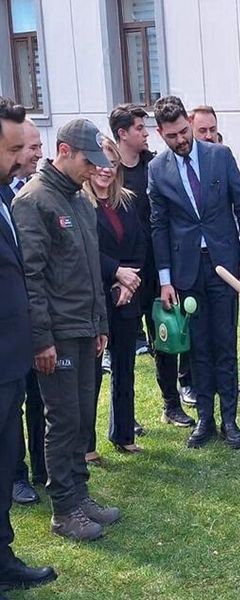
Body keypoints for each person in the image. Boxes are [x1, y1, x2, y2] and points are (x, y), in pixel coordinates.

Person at [13, 118, 120, 541]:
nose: (93, 170)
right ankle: (63, 510)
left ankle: (80, 495)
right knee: (63, 420)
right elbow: (32, 278)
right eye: (86, 161)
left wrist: (99, 324)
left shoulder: (80, 201)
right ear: (63, 151)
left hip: (83, 327)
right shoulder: (34, 201)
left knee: (82, 418)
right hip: (56, 334)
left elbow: (91, 272)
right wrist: (41, 339)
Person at [148, 96, 240, 450]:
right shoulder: (157, 169)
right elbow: (159, 226)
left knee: (225, 343)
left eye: (183, 132)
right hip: (186, 272)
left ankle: (230, 420)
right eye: (171, 136)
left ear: (189, 123)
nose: (180, 140)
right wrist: (165, 280)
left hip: (224, 266)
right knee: (198, 350)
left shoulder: (219, 156)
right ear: (160, 134)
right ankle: (206, 420)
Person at [0, 95, 58, 590]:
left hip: (10, 362)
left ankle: (2, 557)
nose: (24, 156)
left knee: (2, 466)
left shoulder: (2, 198)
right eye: (15, 147)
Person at [110, 103, 197, 428]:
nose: (145, 134)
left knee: (165, 337)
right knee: (123, 349)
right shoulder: (110, 170)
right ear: (122, 134)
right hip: (124, 276)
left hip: (158, 270)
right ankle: (123, 419)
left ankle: (171, 405)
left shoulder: (155, 166)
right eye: (138, 129)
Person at [86, 138, 146, 454]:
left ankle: (124, 434)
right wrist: (116, 272)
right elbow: (85, 250)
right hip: (96, 296)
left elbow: (139, 245)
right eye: (100, 162)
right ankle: (87, 444)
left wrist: (128, 280)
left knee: (125, 366)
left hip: (127, 295)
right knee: (93, 372)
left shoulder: (126, 201)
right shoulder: (79, 203)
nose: (106, 169)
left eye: (112, 163)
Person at [4, 117, 46, 505]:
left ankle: (41, 466)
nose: (30, 155)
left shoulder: (32, 192)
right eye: (18, 148)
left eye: (30, 147)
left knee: (37, 398)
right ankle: (18, 474)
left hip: (31, 322)